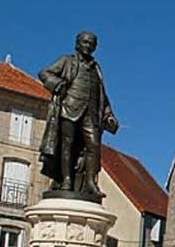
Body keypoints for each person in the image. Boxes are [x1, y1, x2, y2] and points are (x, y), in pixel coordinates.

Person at [37, 31, 118, 197]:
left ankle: (90, 182)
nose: (88, 46)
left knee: (94, 146)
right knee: (67, 144)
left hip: (91, 113)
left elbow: (102, 94)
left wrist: (108, 114)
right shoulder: (67, 60)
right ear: (78, 44)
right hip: (70, 108)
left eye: (91, 43)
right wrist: (58, 84)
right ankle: (66, 179)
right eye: (85, 42)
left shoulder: (96, 68)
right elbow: (44, 73)